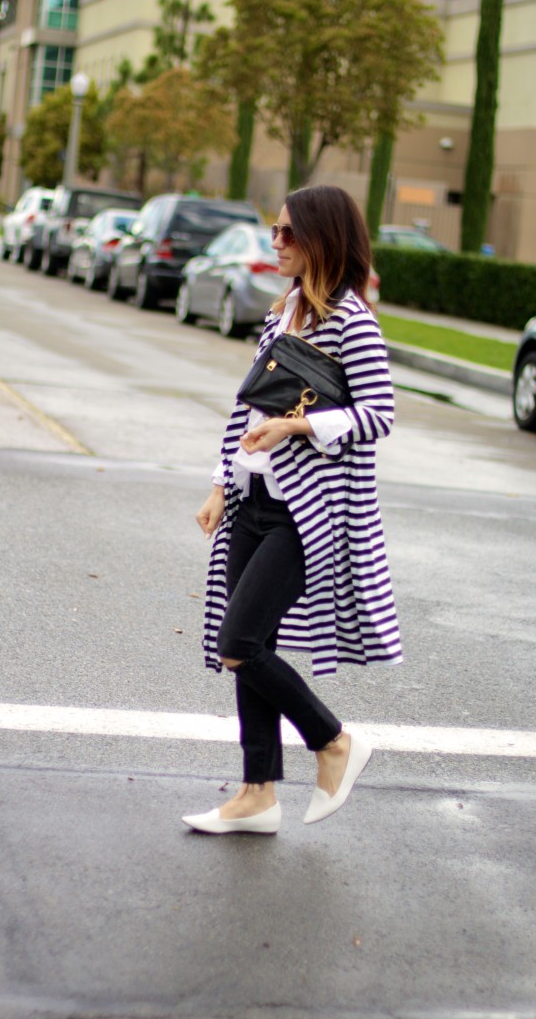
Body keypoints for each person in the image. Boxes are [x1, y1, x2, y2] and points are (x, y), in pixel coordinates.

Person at [182, 185, 402, 835]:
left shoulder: (351, 320)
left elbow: (377, 416)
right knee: (250, 646)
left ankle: (333, 742)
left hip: (303, 517)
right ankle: (256, 794)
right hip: (252, 501)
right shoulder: (286, 312)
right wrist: (222, 484)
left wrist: (297, 429)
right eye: (272, 232)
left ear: (319, 239)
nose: (273, 243)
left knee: (240, 645)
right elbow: (247, 409)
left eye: (284, 234)